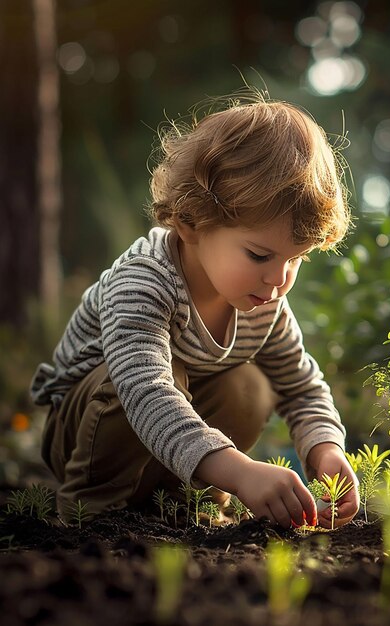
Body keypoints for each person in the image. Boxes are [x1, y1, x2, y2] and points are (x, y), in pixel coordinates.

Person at [30, 91, 359, 529]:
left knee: (249, 385)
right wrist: (240, 471)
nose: (279, 279)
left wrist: (325, 449)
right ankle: (92, 514)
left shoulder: (263, 302)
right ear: (191, 223)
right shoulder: (143, 281)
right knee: (152, 376)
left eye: (296, 258)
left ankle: (188, 506)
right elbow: (145, 391)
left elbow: (301, 386)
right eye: (260, 255)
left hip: (173, 438)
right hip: (89, 431)